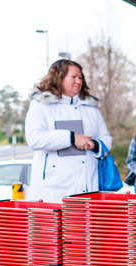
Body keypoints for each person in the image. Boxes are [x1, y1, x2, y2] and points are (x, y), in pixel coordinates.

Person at [25, 59, 112, 203]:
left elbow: (106, 138)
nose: (78, 81)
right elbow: (34, 138)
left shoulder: (91, 108)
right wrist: (71, 138)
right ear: (59, 77)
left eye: (80, 77)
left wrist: (94, 145)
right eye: (73, 77)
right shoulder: (41, 105)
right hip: (52, 191)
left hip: (88, 187)